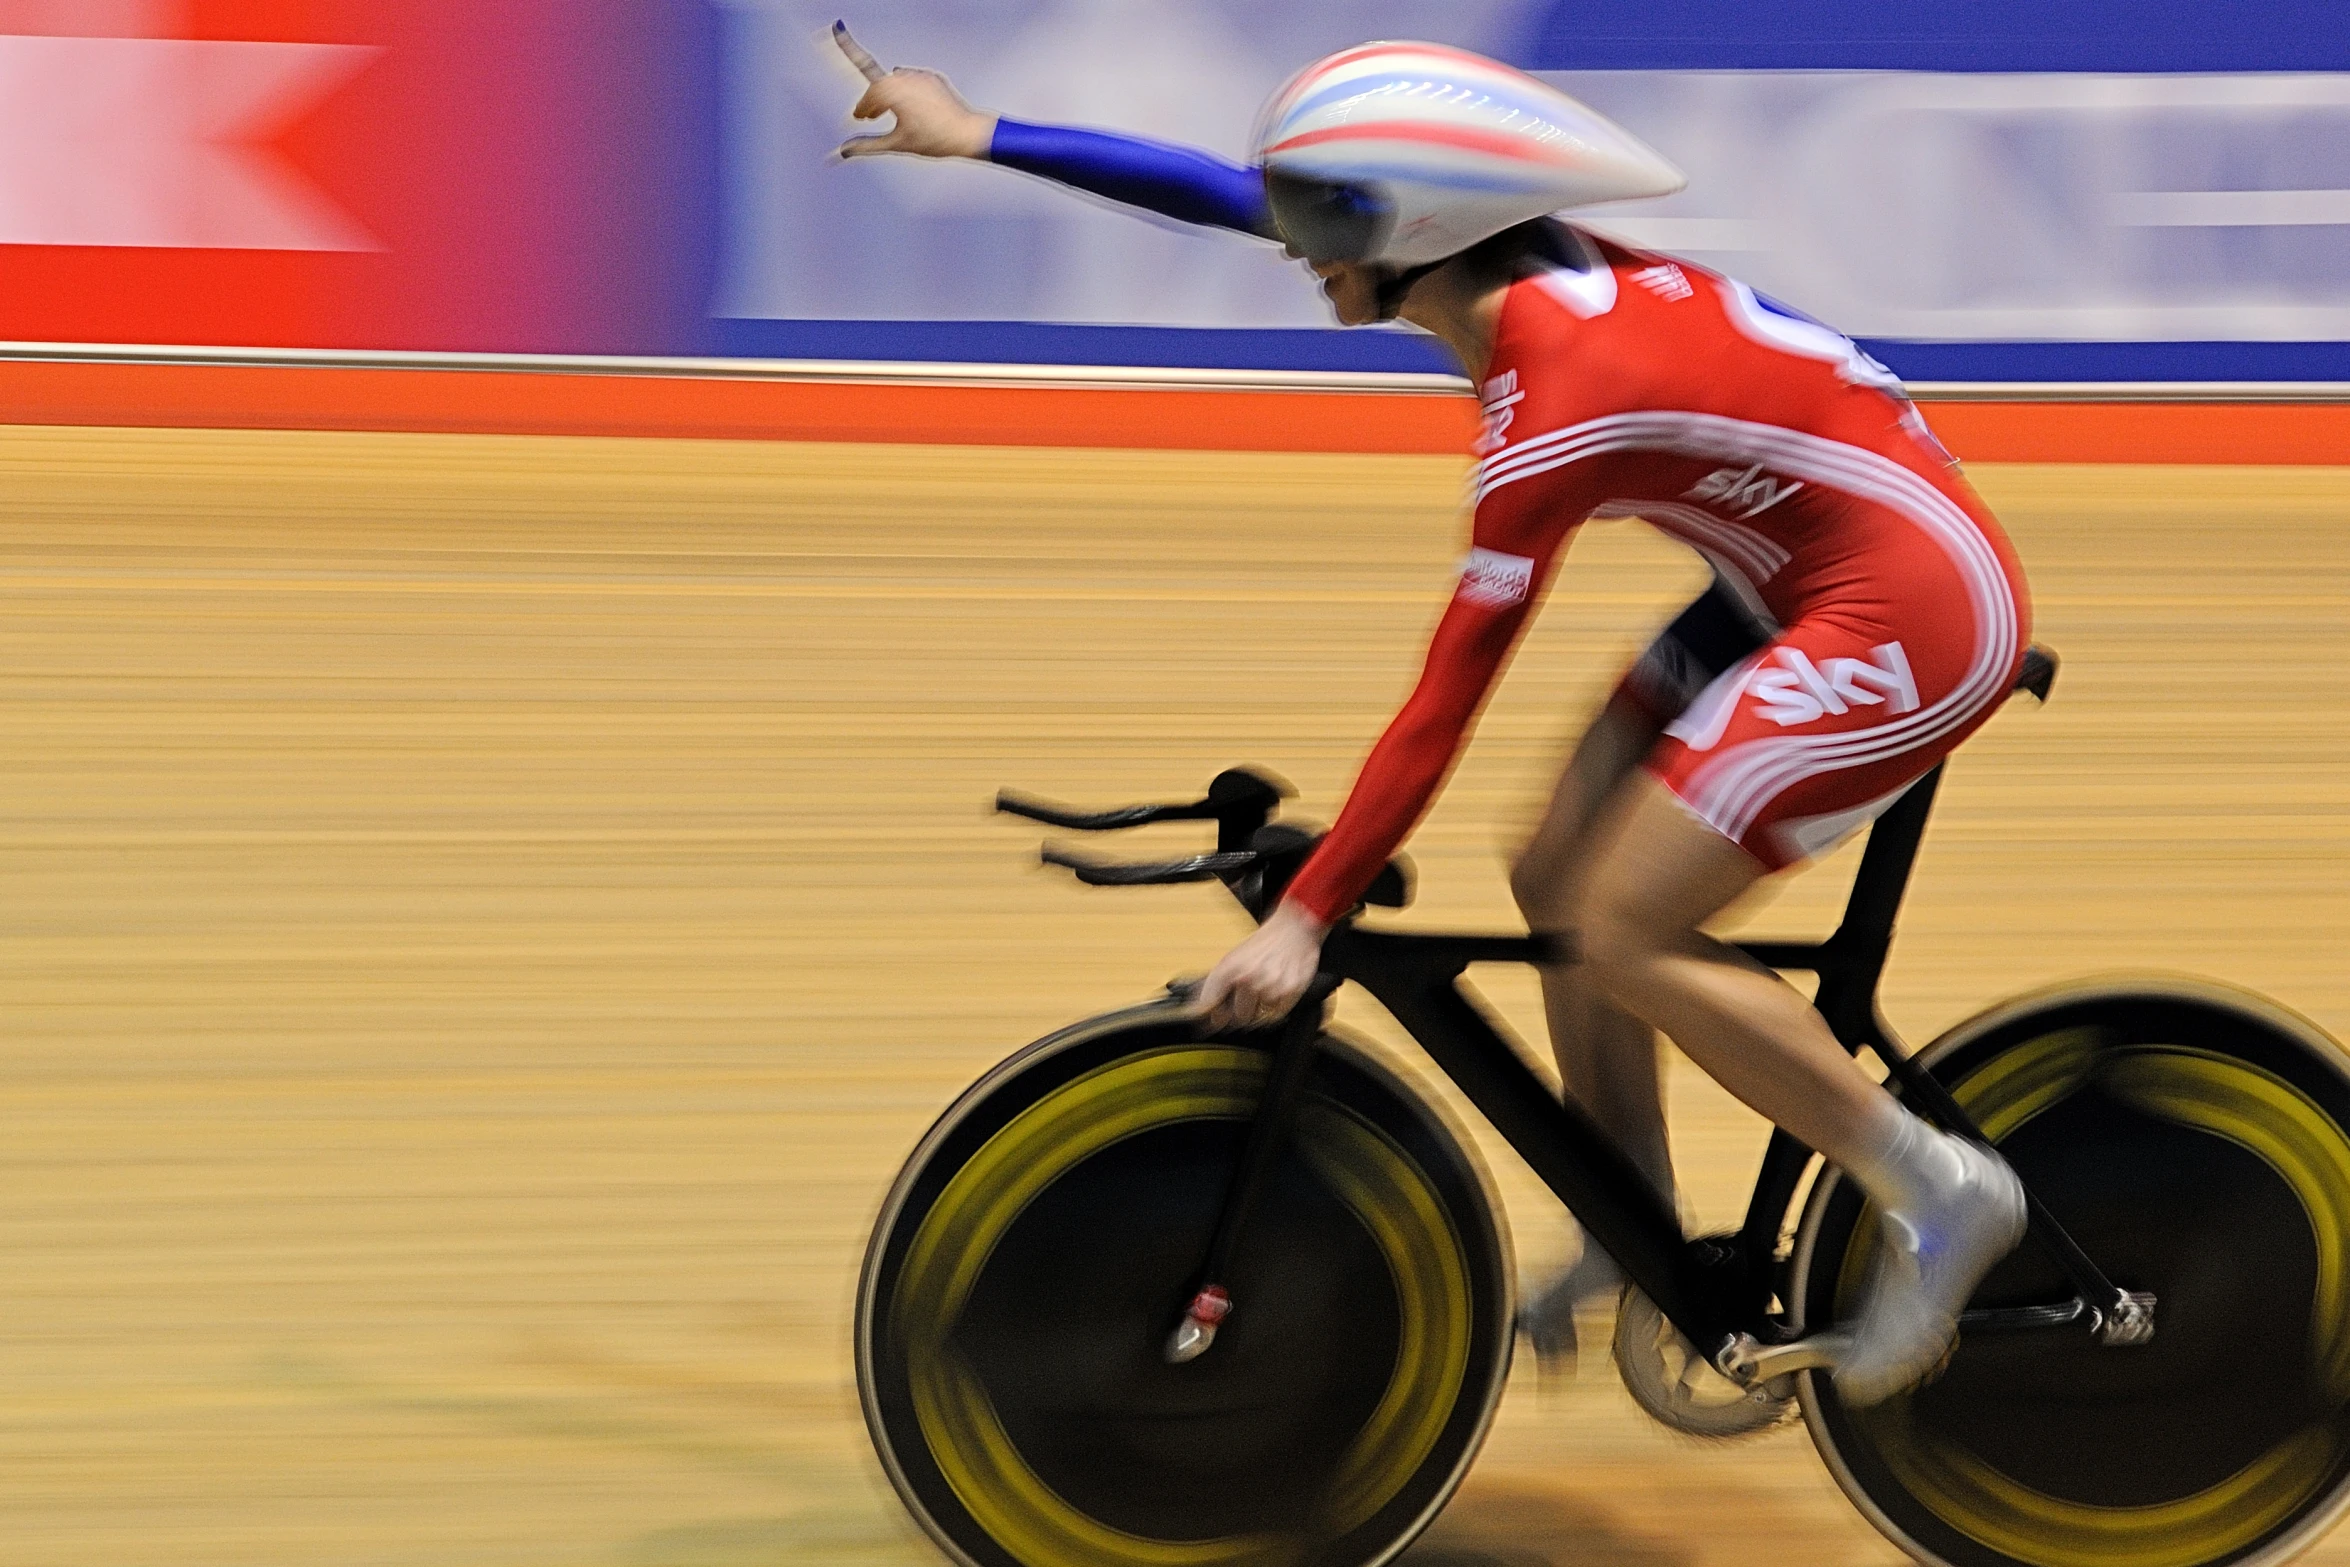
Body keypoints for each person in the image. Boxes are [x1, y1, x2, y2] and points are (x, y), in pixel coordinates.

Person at [835, 33, 2030, 1408]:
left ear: (1422, 229)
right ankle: (1628, 1214)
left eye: (1332, 222)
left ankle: (1935, 1187)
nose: (1299, 248)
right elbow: (1227, 194)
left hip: (1909, 608)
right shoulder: (1505, 274)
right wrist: (977, 131)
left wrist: (1306, 915)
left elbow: (1447, 693)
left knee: (1619, 922)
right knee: (1550, 877)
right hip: (1800, 571)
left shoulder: (1558, 404)